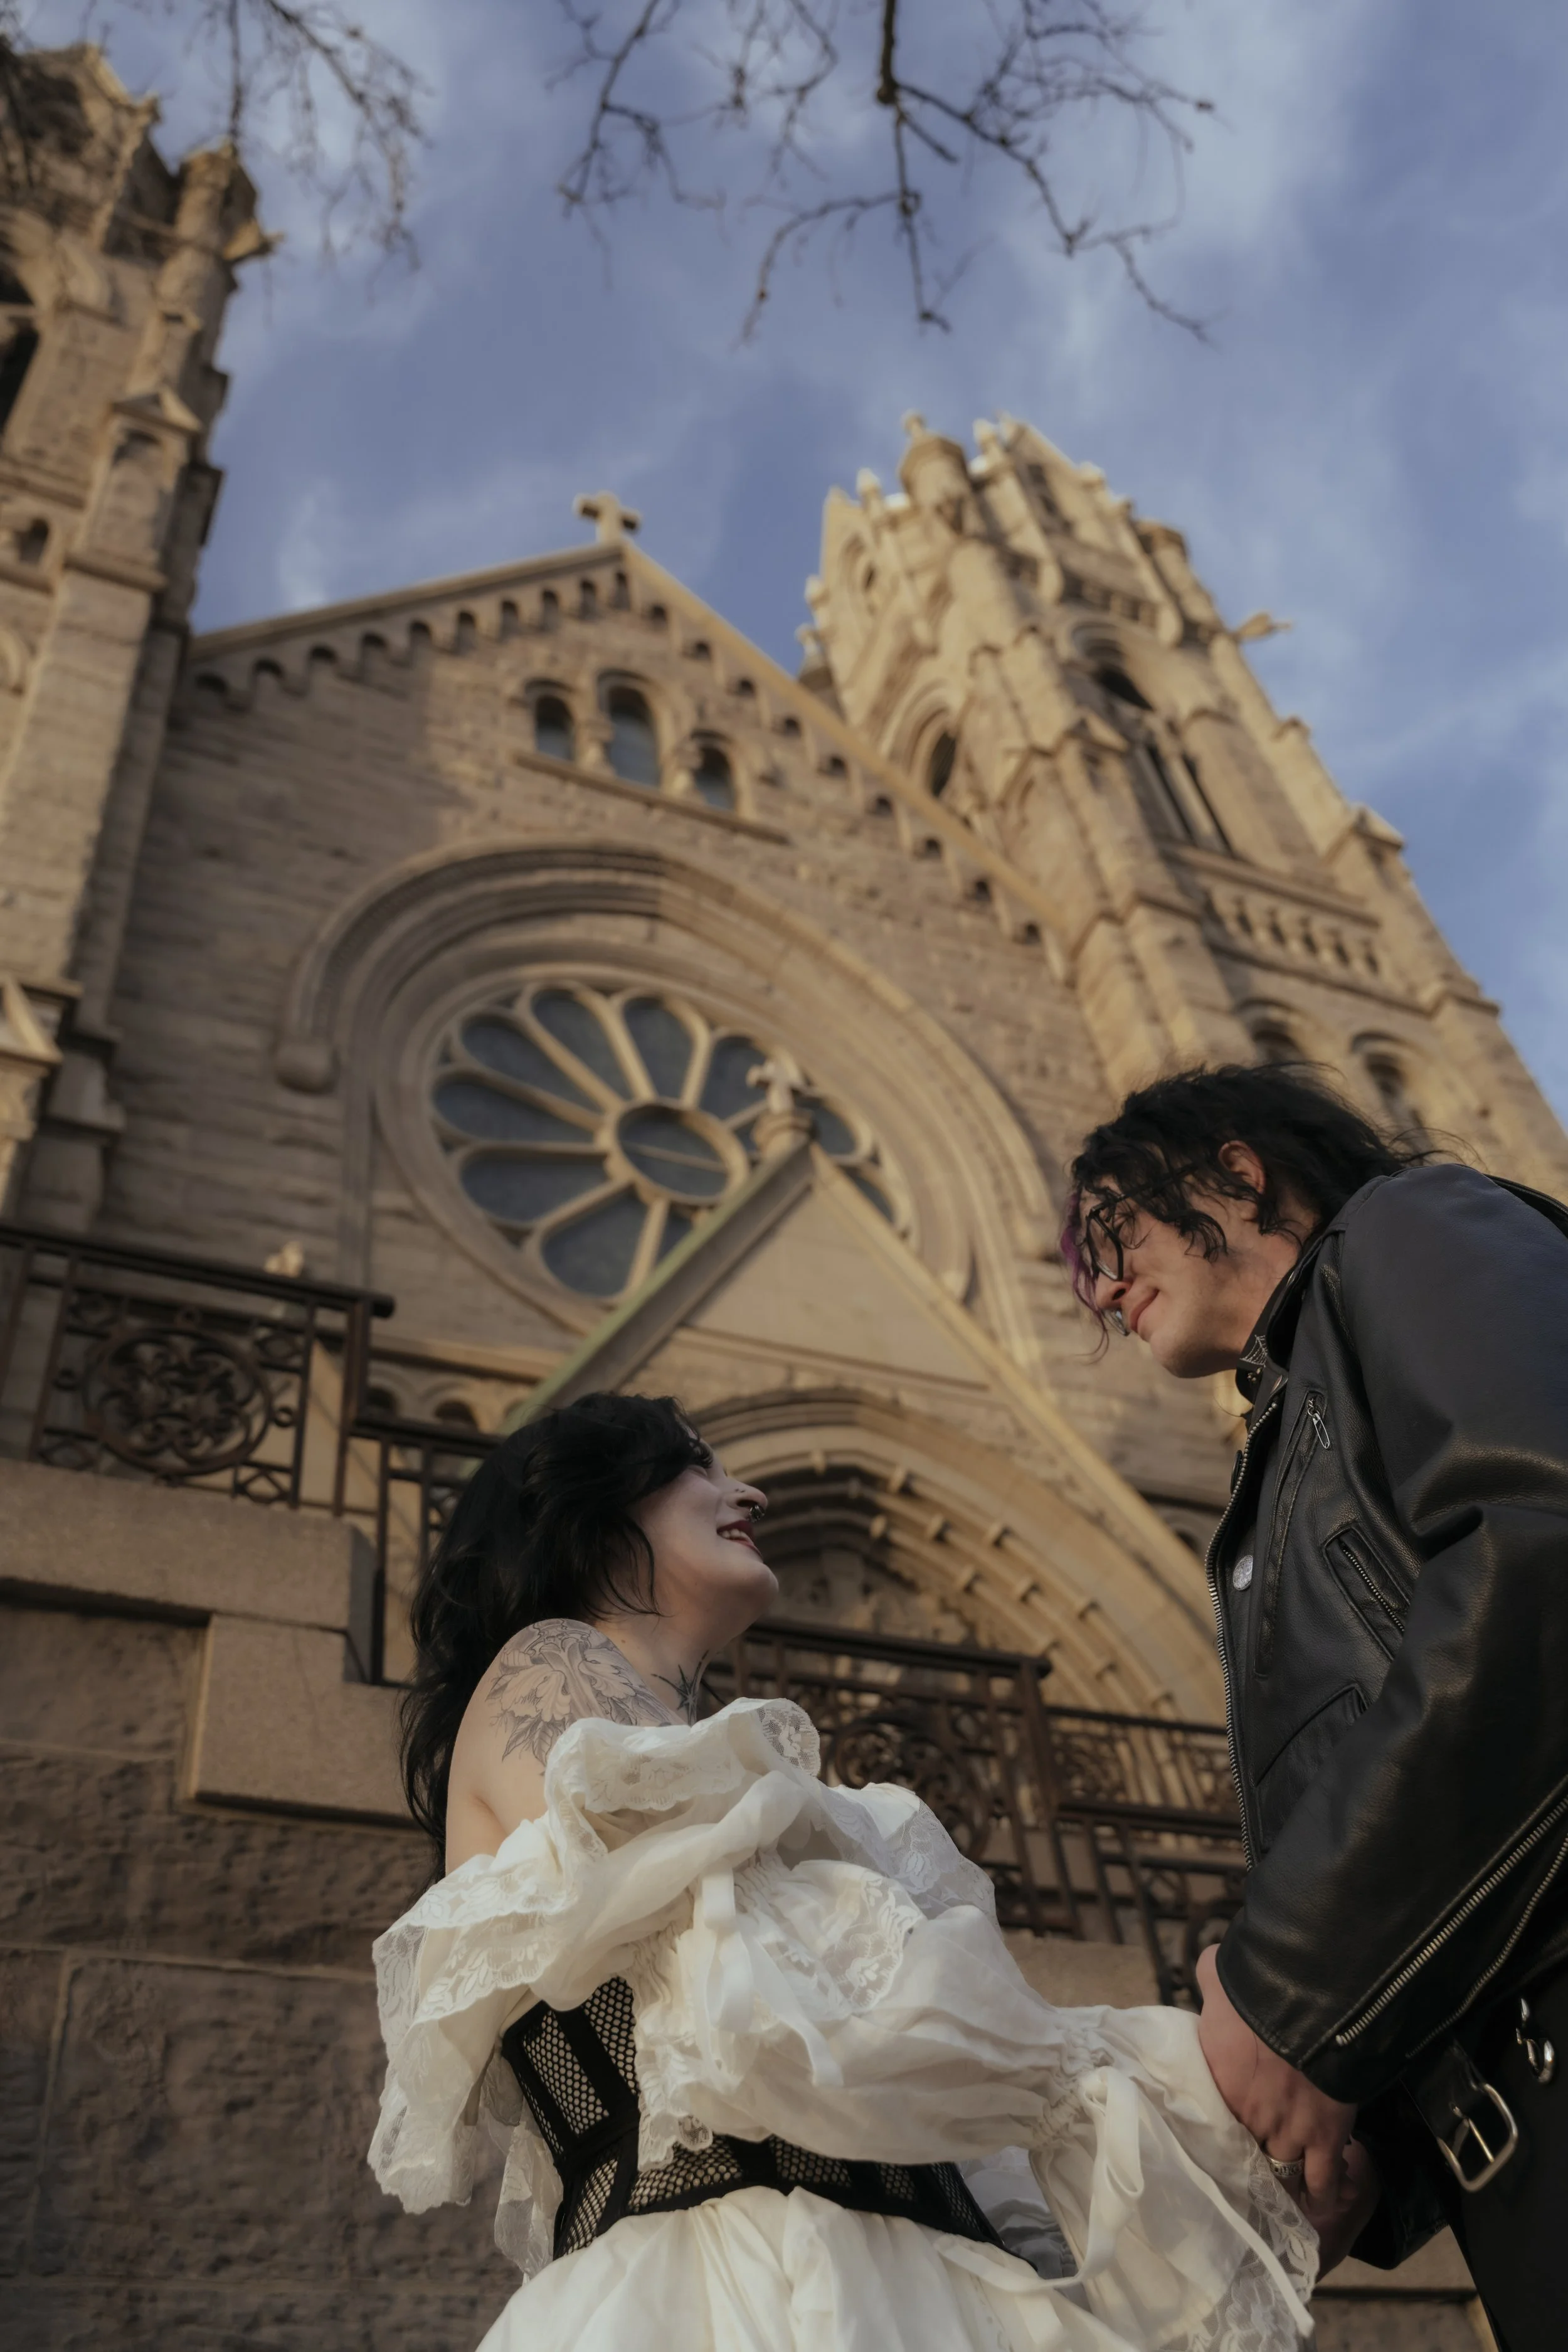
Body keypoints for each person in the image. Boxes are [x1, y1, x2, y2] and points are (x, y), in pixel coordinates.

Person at [368, 1390, 1321, 2352]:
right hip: (728, 2285)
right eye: (697, 1464)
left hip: (927, 2280)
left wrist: (1233, 2135)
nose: (747, 1490)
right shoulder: (547, 1670)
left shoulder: (718, 1754)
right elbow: (797, 2002)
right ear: (595, 1502)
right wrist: (1189, 2077)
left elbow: (946, 2113)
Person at [1064, 1061, 1568, 2352]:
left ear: (1234, 1174)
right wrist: (1350, 2137)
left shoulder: (1405, 1227)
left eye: (1108, 1234)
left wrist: (1289, 1990)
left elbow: (1541, 1538)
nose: (1101, 1286)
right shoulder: (1283, 1445)